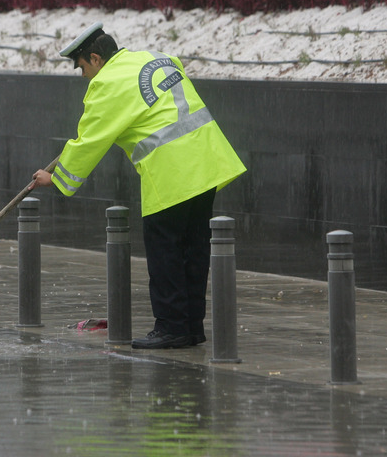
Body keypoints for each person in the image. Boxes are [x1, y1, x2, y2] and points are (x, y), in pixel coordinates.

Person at [31, 22, 246, 349]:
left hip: (172, 173)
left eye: (82, 68)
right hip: (206, 162)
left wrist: (56, 178)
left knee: (166, 252)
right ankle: (190, 328)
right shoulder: (156, 58)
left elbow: (89, 140)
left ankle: (172, 328)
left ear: (95, 58)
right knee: (194, 249)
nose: (84, 76)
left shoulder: (107, 82)